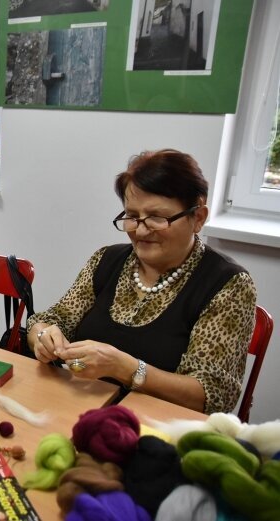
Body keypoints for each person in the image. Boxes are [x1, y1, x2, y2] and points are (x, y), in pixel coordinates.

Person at [27, 149, 256, 415]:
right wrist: (43, 338)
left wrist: (127, 369)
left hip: (158, 432)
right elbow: (51, 319)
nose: (141, 230)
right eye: (132, 216)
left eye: (158, 218)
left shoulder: (227, 285)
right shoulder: (107, 260)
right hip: (79, 410)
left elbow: (212, 396)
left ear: (198, 218)